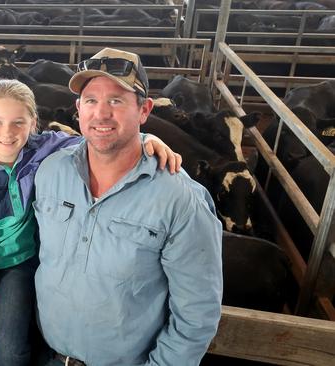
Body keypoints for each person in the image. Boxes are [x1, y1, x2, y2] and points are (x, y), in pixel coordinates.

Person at [0, 79, 181, 366]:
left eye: (18, 122)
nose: (7, 133)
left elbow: (101, 142)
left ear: (33, 123)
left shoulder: (46, 148)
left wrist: (145, 139)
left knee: (9, 352)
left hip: (22, 259)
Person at [33, 48, 223, 366]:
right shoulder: (51, 171)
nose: (101, 113)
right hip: (49, 355)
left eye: (117, 101)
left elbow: (196, 315)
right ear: (78, 110)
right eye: (91, 100)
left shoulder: (181, 200)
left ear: (144, 110)